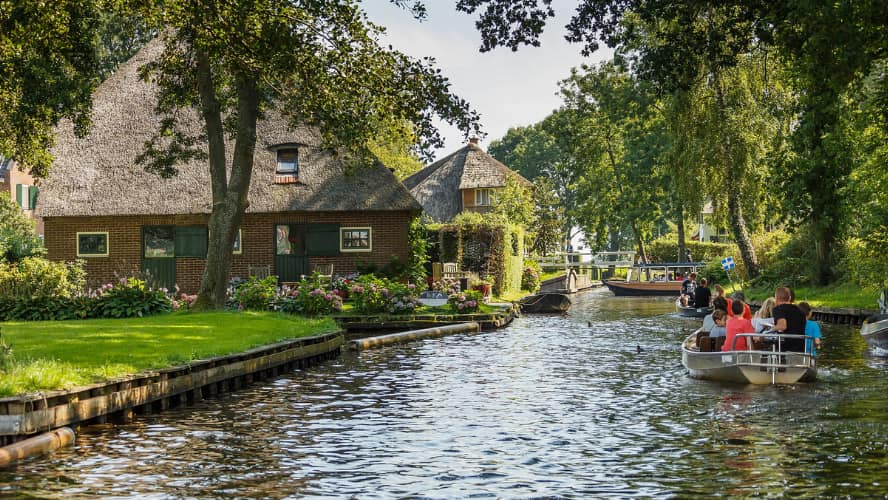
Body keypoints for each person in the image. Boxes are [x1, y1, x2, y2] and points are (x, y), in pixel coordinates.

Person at [771, 286, 807, 352]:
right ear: (789, 298)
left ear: (776, 298)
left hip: (785, 348)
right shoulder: (800, 311)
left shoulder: (778, 309)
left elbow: (782, 326)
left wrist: (770, 329)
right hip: (800, 349)